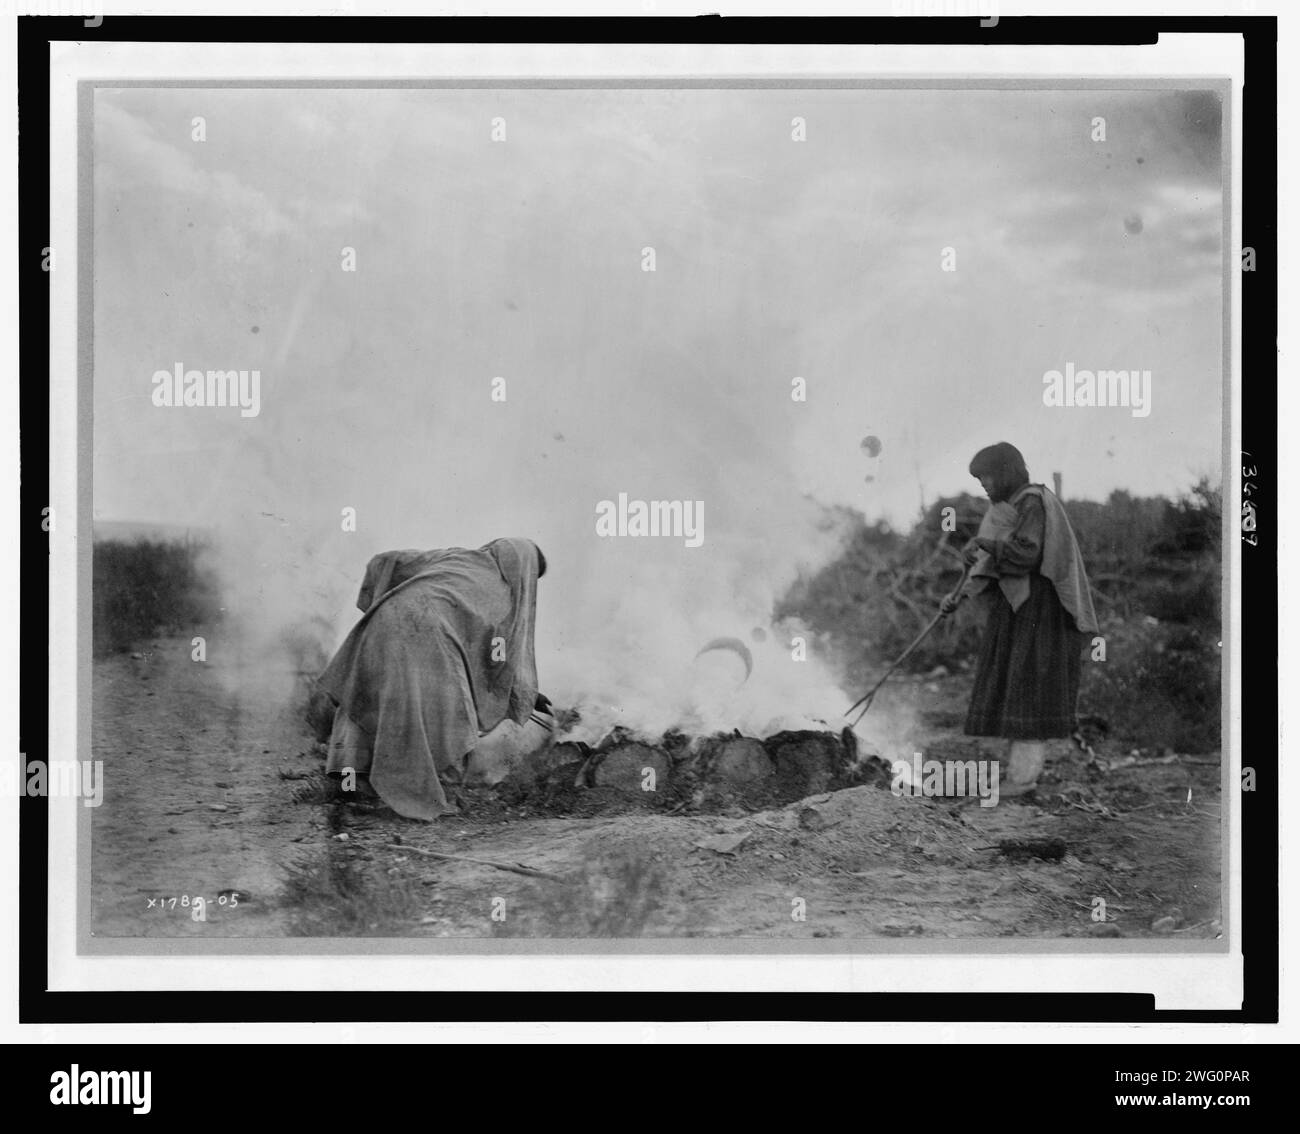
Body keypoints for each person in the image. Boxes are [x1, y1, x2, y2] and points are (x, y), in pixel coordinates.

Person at [315, 537, 548, 820]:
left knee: (365, 693)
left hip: (381, 622)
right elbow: (497, 661)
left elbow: (387, 560)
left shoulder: (455, 557)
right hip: (427, 639)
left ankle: (348, 783)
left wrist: (376, 601)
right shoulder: (502, 597)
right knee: (448, 713)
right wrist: (524, 694)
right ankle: (426, 792)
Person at [939, 443, 1098, 796]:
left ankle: (1024, 780)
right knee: (1016, 687)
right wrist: (958, 596)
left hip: (1041, 608)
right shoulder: (1004, 508)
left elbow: (1026, 554)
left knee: (1031, 688)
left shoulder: (1032, 502)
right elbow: (987, 562)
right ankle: (1017, 774)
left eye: (987, 476)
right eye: (979, 479)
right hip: (1017, 609)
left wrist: (984, 543)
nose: (983, 484)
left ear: (1006, 471)